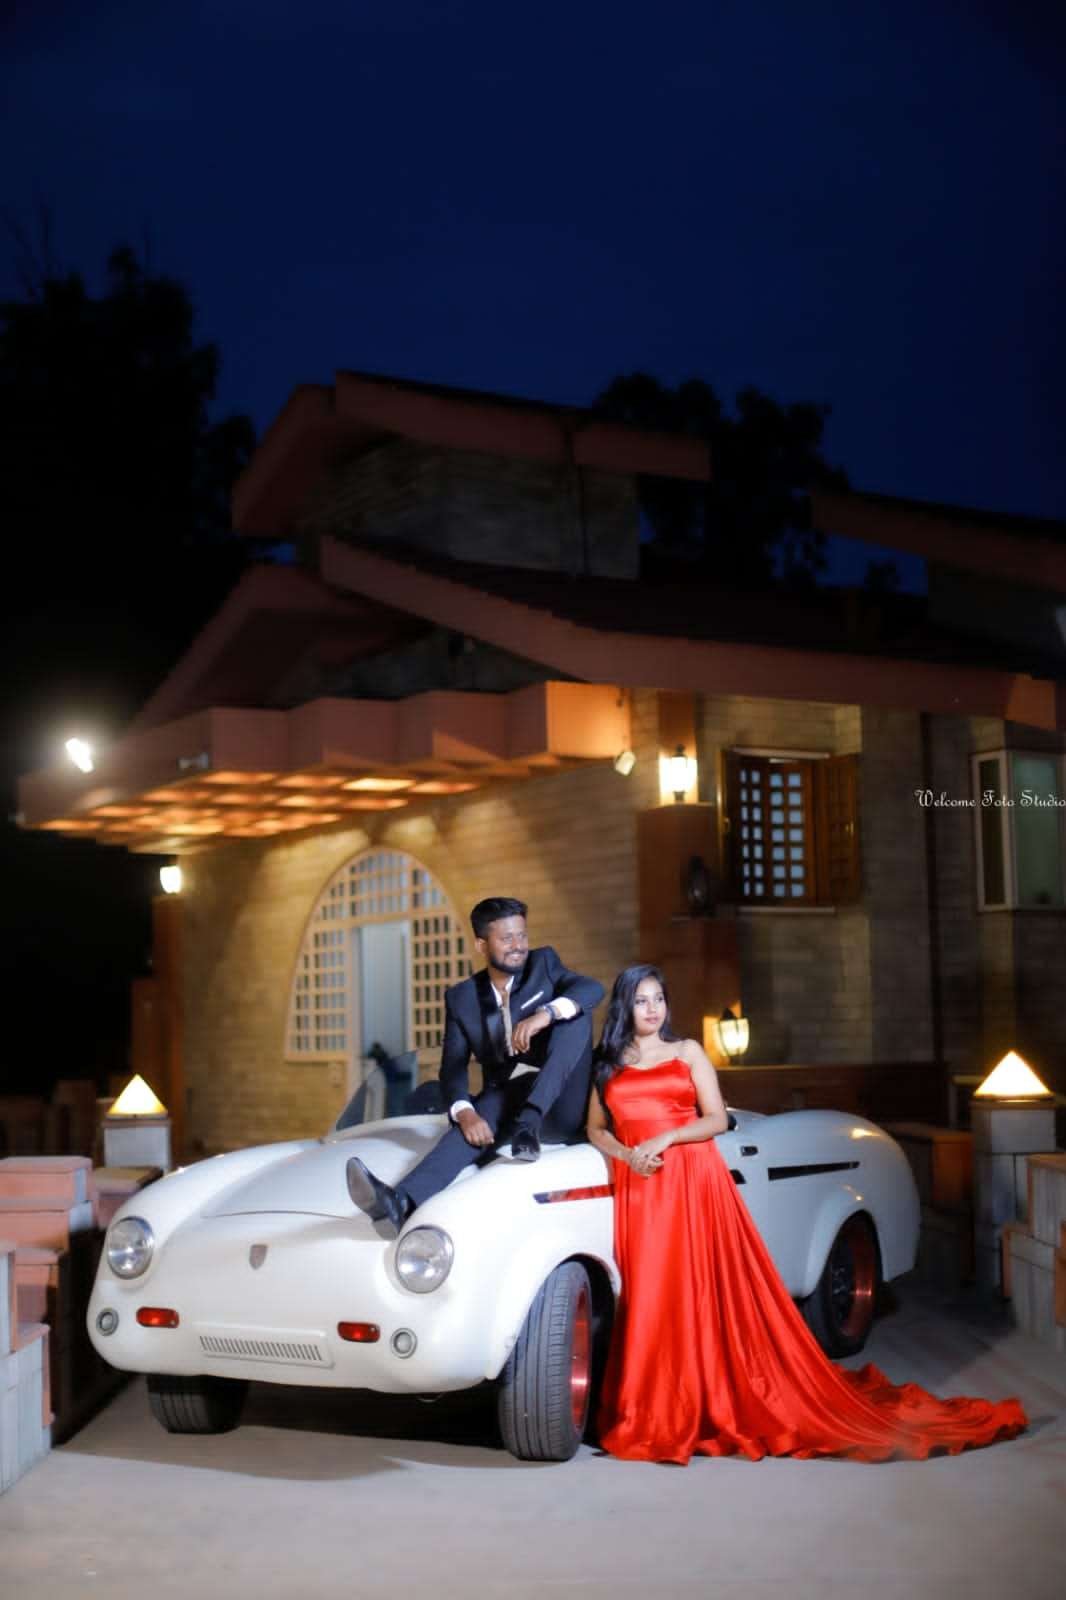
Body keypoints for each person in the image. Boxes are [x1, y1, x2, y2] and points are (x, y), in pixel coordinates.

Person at [586, 963, 1028, 1465]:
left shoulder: (687, 1052)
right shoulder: (608, 1063)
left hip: (690, 1176)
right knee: (650, 1291)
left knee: (697, 1288)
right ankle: (652, 1406)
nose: (652, 1009)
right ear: (624, 1006)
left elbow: (716, 1119)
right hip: (641, 1186)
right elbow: (595, 1128)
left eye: (659, 998)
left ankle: (699, 1404)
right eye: (641, 1000)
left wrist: (665, 1138)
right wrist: (627, 1156)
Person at [346, 896, 605, 1232]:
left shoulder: (543, 964)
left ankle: (530, 1120)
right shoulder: (463, 998)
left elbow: (591, 988)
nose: (518, 946)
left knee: (575, 1016)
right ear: (481, 944)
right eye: (507, 938)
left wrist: (546, 1013)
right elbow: (452, 1067)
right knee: (475, 1117)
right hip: (511, 1096)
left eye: (522, 935)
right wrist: (464, 1112)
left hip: (565, 1102)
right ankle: (400, 1203)